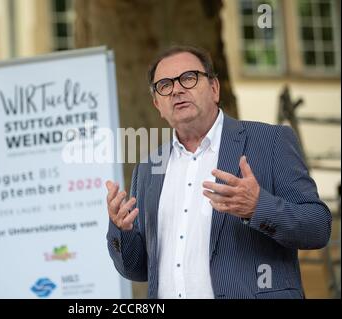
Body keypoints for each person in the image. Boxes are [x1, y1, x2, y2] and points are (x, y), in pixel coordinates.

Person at [105, 46, 332, 299]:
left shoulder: (270, 142)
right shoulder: (148, 169)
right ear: (158, 104)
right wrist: (121, 230)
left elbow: (318, 227)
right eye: (165, 85)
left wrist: (258, 207)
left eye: (189, 78)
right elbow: (137, 270)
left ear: (214, 89)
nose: (177, 89)